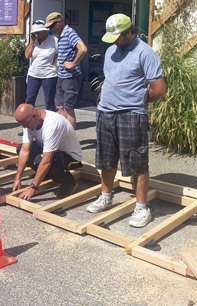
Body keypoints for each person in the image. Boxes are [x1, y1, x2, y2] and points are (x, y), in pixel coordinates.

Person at [86, 14, 166, 228]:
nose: (113, 41)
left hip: (131, 115)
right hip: (105, 112)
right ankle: (106, 195)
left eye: (117, 37)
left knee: (136, 162)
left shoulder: (145, 53)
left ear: (129, 32)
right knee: (106, 158)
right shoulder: (111, 50)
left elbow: (159, 90)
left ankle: (141, 207)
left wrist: (136, 100)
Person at [12, 104, 83, 201]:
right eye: (22, 124)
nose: (24, 127)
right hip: (53, 151)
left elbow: (46, 161)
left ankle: (69, 182)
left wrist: (33, 187)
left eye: (25, 123)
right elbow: (25, 150)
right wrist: (17, 178)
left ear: (33, 116)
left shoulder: (52, 124)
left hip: (71, 157)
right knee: (20, 149)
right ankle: (45, 174)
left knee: (40, 161)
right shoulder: (29, 122)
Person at [44, 12, 87, 129]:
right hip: (62, 75)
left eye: (51, 26)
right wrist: (60, 60)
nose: (50, 29)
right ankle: (61, 134)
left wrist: (73, 63)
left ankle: (69, 139)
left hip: (70, 77)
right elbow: (67, 51)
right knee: (60, 106)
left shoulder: (69, 33)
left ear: (59, 22)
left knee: (68, 108)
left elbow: (82, 49)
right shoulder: (61, 35)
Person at [24, 20, 58, 111]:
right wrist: (31, 42)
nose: (37, 34)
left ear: (45, 30)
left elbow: (59, 54)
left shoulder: (54, 41)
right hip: (33, 74)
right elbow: (27, 56)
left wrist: (56, 61)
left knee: (49, 101)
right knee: (29, 100)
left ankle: (51, 122)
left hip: (49, 74)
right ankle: (28, 122)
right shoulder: (33, 41)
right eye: (35, 32)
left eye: (39, 32)